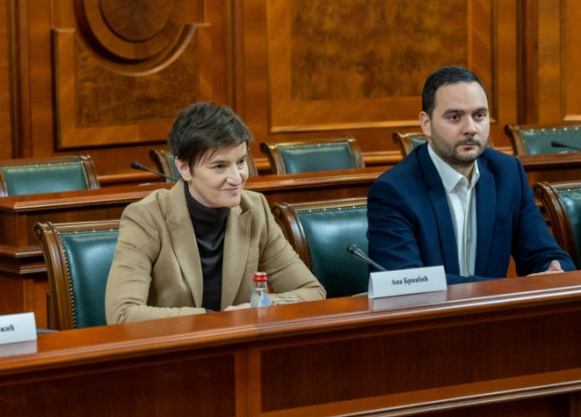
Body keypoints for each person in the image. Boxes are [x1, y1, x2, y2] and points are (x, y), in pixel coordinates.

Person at [105, 102, 325, 324]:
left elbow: (311, 292)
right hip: (176, 344)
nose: (237, 178)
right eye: (219, 166)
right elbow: (122, 314)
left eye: (241, 162)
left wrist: (257, 308)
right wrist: (213, 320)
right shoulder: (146, 217)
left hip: (239, 342)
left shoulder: (255, 208)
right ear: (184, 168)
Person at [367, 66, 575, 284]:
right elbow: (406, 282)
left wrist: (555, 271)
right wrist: (506, 288)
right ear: (426, 124)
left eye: (479, 116)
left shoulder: (507, 173)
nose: (471, 128)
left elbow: (543, 253)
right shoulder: (393, 191)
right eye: (454, 117)